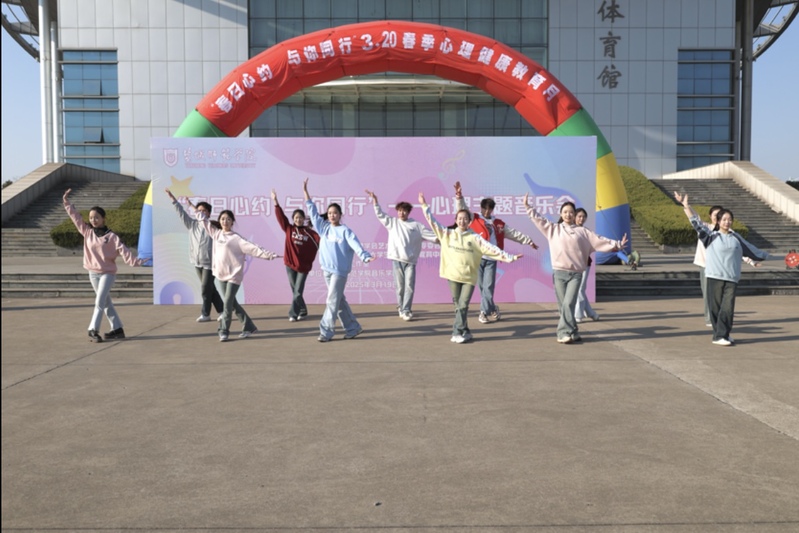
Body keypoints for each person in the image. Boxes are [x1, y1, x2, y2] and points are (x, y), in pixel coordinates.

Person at [418, 191, 522, 344]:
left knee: (463, 304)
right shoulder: (447, 234)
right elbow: (432, 221)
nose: (462, 221)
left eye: (465, 219)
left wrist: (509, 257)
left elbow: (491, 249)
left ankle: (456, 332)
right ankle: (465, 330)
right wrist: (424, 205)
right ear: (456, 220)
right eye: (460, 218)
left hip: (468, 278)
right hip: (453, 276)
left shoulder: (475, 237)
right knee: (458, 306)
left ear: (469, 221)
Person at [523, 193, 627, 344]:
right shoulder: (553, 229)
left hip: (576, 274)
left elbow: (599, 240)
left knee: (568, 303)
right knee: (563, 306)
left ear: (574, 214)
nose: (568, 214)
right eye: (565, 212)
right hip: (559, 273)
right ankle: (573, 331)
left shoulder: (583, 232)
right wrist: (528, 207)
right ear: (561, 214)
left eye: (571, 212)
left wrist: (617, 244)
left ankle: (562, 333)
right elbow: (539, 220)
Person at [674, 192, 771, 346]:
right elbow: (695, 223)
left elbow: (751, 250)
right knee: (715, 307)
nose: (727, 222)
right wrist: (685, 205)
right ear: (718, 221)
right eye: (724, 219)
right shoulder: (710, 236)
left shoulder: (735, 237)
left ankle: (723, 334)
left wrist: (768, 257)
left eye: (729, 219)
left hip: (731, 277)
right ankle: (719, 335)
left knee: (728, 307)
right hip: (714, 276)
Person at [63, 188, 148, 342]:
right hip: (92, 273)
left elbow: (125, 252)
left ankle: (93, 329)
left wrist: (138, 261)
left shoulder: (112, 237)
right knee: (106, 301)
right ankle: (117, 329)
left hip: (107, 274)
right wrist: (67, 203)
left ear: (103, 218)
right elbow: (75, 218)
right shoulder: (87, 232)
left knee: (99, 301)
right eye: (91, 217)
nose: (93, 220)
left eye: (96, 217)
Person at [454, 182, 538, 324]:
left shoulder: (498, 223)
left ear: (492, 209)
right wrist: (459, 196)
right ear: (481, 208)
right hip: (477, 258)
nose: (487, 211)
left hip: (491, 259)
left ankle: (483, 312)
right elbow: (462, 210)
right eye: (485, 208)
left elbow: (513, 233)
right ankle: (493, 308)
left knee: (488, 287)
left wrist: (528, 241)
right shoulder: (474, 218)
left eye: (489, 209)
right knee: (482, 288)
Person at [303, 178, 374, 342]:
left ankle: (326, 332)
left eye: (335, 213)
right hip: (326, 271)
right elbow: (313, 212)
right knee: (339, 300)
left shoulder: (345, 231)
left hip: (339, 272)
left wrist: (365, 256)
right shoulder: (324, 228)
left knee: (332, 300)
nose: (332, 215)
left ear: (340, 215)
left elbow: (355, 244)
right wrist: (306, 193)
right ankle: (353, 328)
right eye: (329, 213)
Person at [197, 207, 280, 342]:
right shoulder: (216, 234)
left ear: (232, 222)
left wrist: (269, 255)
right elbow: (204, 221)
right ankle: (249, 326)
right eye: (223, 219)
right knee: (233, 303)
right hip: (221, 275)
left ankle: (223, 331)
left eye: (228, 219)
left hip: (234, 276)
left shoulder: (236, 238)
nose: (225, 221)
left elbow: (253, 248)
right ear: (219, 221)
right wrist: (195, 209)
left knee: (227, 304)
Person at [365, 189, 437, 321]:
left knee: (409, 286)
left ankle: (406, 310)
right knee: (400, 287)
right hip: (396, 260)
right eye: (399, 211)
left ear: (408, 212)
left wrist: (447, 240)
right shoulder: (393, 222)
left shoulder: (416, 225)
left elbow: (434, 237)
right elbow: (380, 215)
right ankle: (401, 307)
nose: (401, 213)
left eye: (404, 211)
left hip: (410, 262)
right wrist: (375, 201)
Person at [165, 188, 224, 323]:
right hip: (197, 263)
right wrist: (173, 200)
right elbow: (181, 213)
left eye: (204, 211)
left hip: (210, 263)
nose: (201, 213)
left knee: (205, 289)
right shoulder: (192, 224)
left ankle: (205, 314)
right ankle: (222, 311)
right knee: (210, 288)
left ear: (209, 213)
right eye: (199, 210)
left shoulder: (213, 227)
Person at [271, 189, 320, 322]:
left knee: (297, 291)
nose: (298, 219)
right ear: (293, 219)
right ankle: (303, 310)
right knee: (295, 291)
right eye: (296, 217)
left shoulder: (310, 233)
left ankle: (293, 313)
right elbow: (281, 217)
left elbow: (322, 242)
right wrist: (275, 202)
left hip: (303, 267)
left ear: (304, 219)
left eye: (301, 217)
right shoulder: (289, 229)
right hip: (289, 264)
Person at [573, 207, 600, 323]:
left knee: (580, 288)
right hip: (572, 264)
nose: (581, 219)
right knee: (579, 289)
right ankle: (591, 313)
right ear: (574, 217)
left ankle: (578, 314)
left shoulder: (586, 231)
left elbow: (597, 241)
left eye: (584, 217)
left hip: (585, 263)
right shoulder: (569, 230)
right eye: (579, 216)